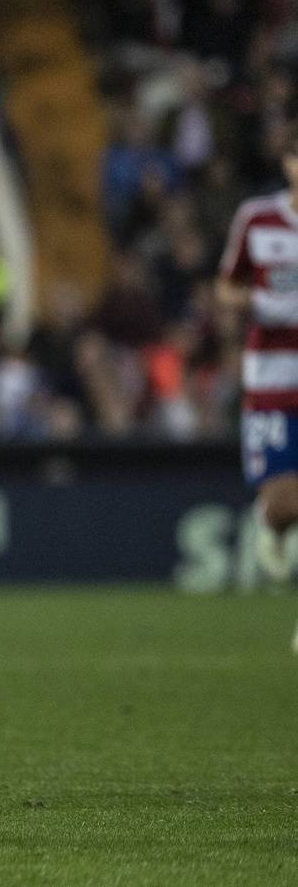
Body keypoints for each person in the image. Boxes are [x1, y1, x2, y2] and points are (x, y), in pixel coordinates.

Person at [217, 132, 298, 650]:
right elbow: (225, 286)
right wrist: (255, 303)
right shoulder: (257, 218)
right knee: (286, 504)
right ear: (290, 160)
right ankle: (269, 526)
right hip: (271, 379)